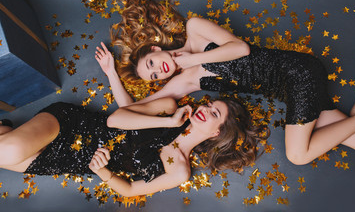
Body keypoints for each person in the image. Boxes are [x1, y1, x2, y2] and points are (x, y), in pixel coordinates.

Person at [95, 0, 355, 166]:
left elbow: (241, 49)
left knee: (297, 155)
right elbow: (126, 112)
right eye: (153, 76)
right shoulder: (182, 83)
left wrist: (191, 59)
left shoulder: (195, 29)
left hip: (296, 72)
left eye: (151, 63)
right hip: (288, 92)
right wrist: (110, 73)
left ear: (155, 49)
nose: (158, 70)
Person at [0, 97, 267, 197]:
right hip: (73, 125)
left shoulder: (180, 172)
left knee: (7, 154)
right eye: (209, 105)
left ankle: (5, 129)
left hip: (76, 161)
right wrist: (170, 120)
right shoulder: (171, 107)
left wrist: (102, 171)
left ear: (217, 132)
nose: (206, 110)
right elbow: (115, 119)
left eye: (214, 114)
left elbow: (129, 190)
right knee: (8, 151)